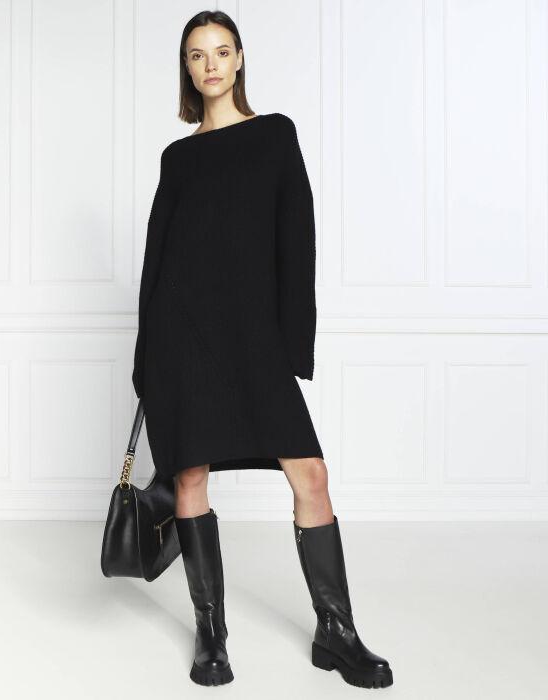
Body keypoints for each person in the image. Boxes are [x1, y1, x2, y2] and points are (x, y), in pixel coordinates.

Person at [132, 9, 393, 690]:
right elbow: (157, 261)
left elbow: (297, 241)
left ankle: (336, 631)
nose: (210, 65)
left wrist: (291, 348)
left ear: (240, 59)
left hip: (255, 341)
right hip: (185, 341)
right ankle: (211, 633)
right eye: (197, 55)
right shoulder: (178, 157)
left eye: (222, 51)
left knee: (311, 476)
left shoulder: (275, 134)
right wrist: (146, 363)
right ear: (187, 68)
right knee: (191, 478)